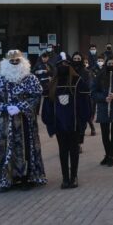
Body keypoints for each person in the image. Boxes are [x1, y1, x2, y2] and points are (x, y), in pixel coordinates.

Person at [0, 49, 46, 191]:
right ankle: (5, 179)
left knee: (26, 147)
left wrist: (22, 106)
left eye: (17, 61)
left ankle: (26, 177)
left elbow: (37, 96)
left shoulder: (30, 78)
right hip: (5, 122)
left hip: (24, 120)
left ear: (23, 62)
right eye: (11, 61)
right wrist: (4, 107)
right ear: (6, 63)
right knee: (3, 149)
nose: (14, 63)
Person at [42, 53, 91, 189]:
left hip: (74, 124)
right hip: (59, 125)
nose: (63, 67)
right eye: (60, 65)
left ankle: (73, 176)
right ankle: (65, 177)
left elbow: (85, 103)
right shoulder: (52, 84)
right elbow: (47, 107)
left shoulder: (78, 81)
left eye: (66, 64)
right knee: (63, 151)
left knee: (74, 151)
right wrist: (50, 123)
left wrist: (83, 121)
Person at [71, 51, 93, 146]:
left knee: (82, 122)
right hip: (71, 100)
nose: (76, 60)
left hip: (82, 99)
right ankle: (73, 142)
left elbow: (88, 86)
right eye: (74, 59)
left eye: (78, 59)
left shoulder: (86, 72)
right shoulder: (69, 70)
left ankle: (79, 143)